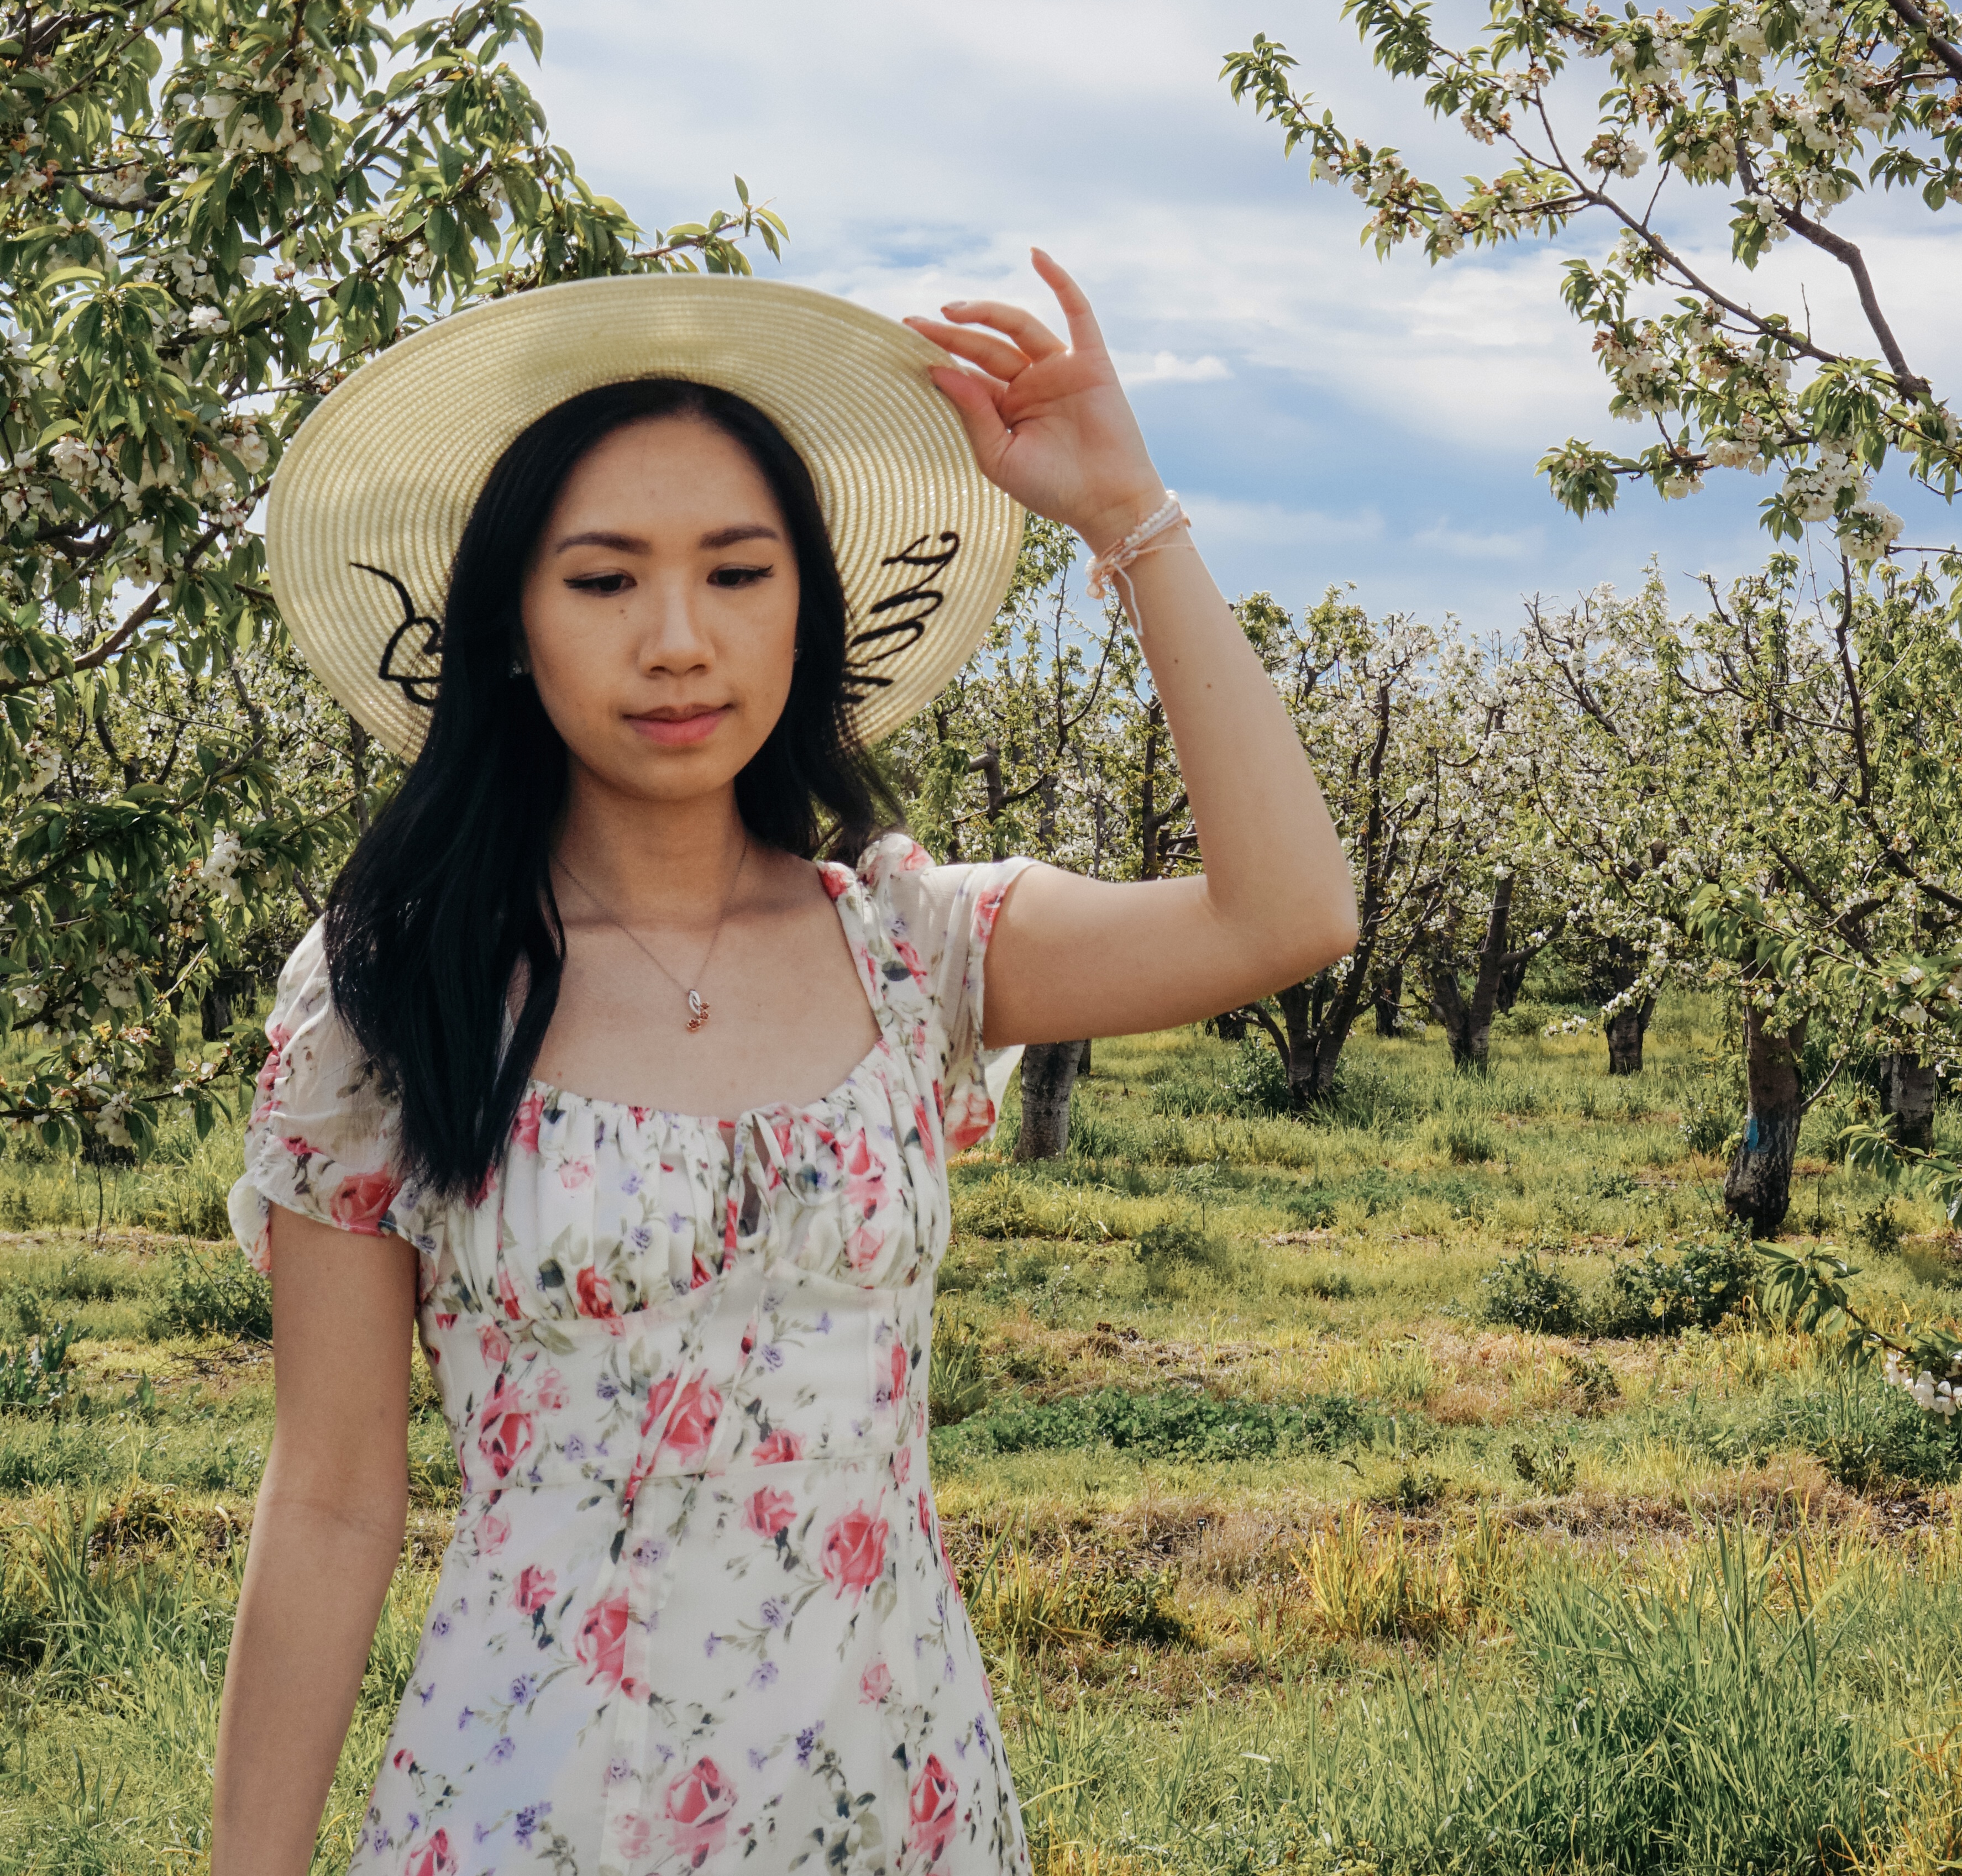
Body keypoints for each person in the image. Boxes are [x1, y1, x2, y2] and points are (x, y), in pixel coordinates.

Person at [210, 250, 1355, 1875]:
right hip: (539, 1803)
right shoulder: (397, 995)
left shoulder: (913, 947)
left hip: (895, 1796)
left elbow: (1290, 909)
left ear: (805, 610)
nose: (678, 640)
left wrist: (1130, 516)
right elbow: (331, 1500)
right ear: (514, 628)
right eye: (604, 581)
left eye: (737, 574)